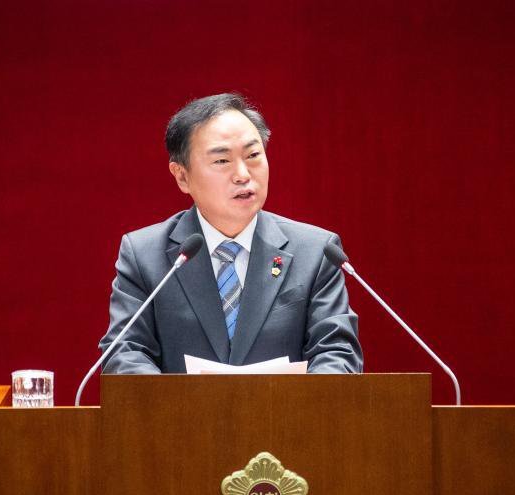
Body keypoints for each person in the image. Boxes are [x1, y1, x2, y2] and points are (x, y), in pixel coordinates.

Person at [99, 93, 362, 373]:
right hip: (180, 405)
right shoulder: (144, 255)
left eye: (253, 155)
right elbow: (124, 353)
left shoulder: (316, 252)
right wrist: (180, 402)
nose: (242, 174)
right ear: (182, 176)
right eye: (222, 161)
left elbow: (337, 353)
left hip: (288, 404)